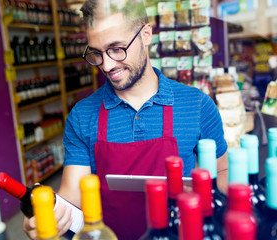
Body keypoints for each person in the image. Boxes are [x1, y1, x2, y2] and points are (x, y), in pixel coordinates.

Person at [23, 0, 228, 239]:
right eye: (96, 53)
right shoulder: (82, 115)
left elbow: (221, 169)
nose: (107, 65)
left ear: (146, 34)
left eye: (116, 48)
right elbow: (73, 197)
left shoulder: (197, 105)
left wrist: (216, 194)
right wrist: (50, 216)